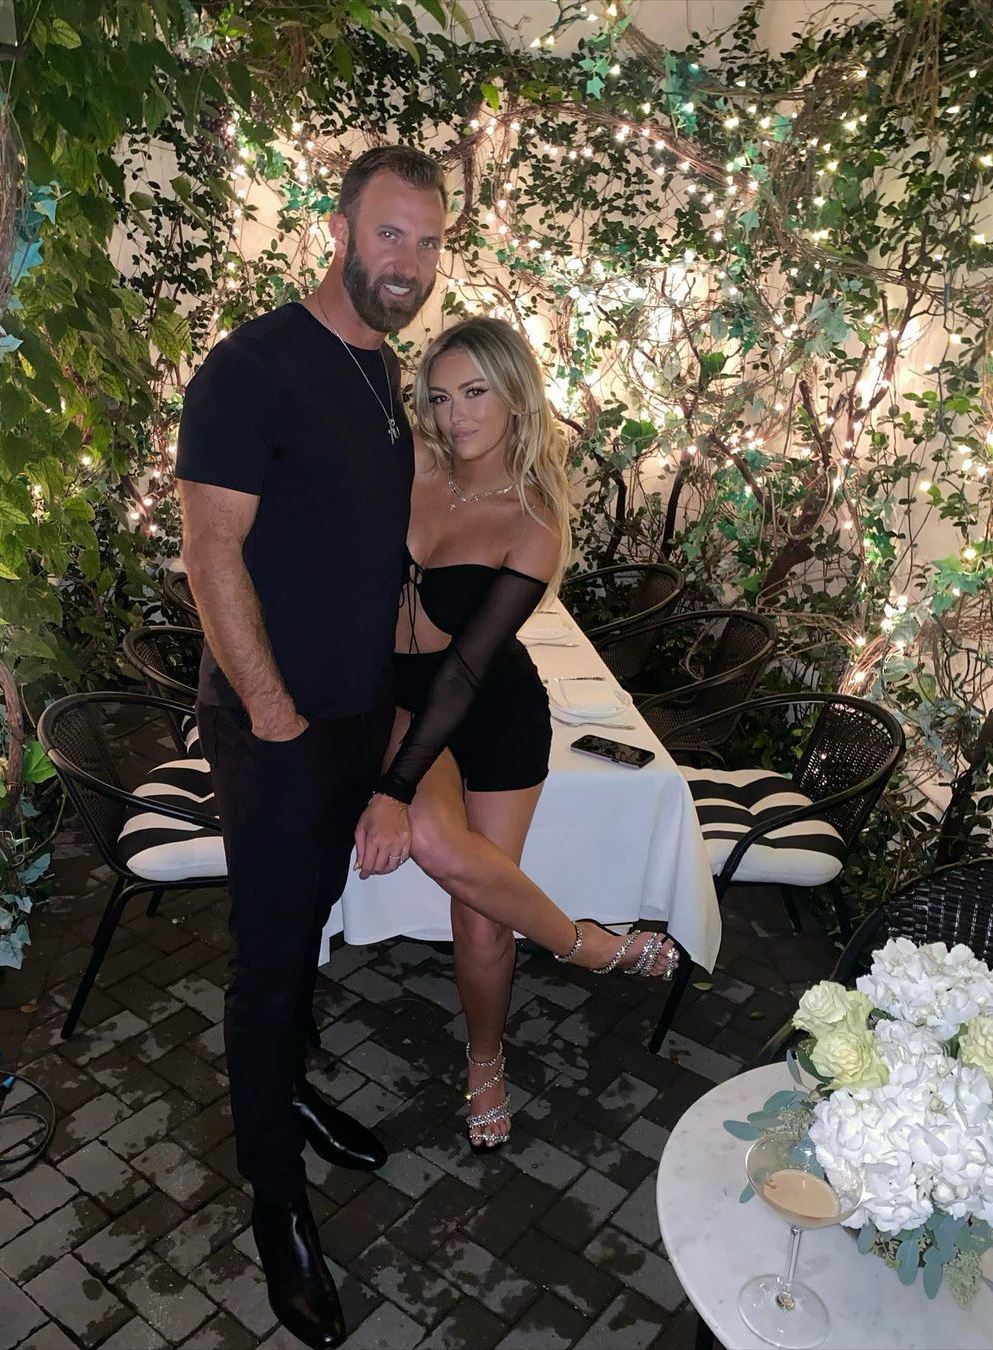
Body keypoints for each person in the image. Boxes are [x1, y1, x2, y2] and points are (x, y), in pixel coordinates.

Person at [176, 146, 447, 1350]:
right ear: (338, 229)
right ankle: (276, 1206)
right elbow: (210, 553)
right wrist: (276, 715)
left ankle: (288, 1095)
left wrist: (385, 709)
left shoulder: (384, 371)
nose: (410, 263)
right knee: (271, 964)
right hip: (274, 723)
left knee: (309, 933)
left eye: (429, 243)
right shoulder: (252, 368)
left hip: (351, 717)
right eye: (391, 234)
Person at [353, 316, 681, 1153]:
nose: (455, 414)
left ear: (514, 396)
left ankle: (486, 1062)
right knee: (436, 839)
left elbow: (466, 671)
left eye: (475, 393)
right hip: (400, 699)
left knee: (480, 917)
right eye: (439, 397)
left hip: (489, 706)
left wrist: (391, 788)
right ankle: (586, 945)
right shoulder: (411, 462)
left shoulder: (532, 521)